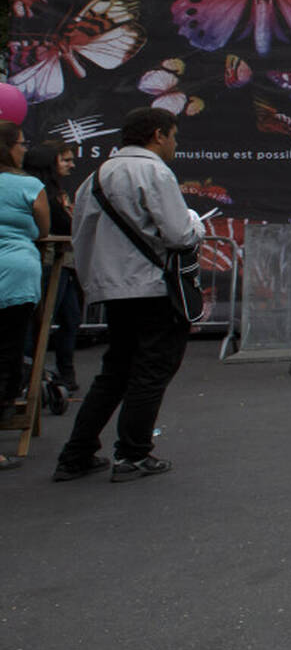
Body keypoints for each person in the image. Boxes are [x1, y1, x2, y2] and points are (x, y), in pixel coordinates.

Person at [53, 107, 203, 483]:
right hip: (152, 286)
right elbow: (178, 234)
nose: (175, 143)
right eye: (173, 135)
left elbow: (82, 237)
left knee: (115, 371)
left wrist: (94, 282)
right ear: (157, 135)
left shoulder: (96, 176)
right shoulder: (153, 171)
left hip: (113, 288)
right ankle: (133, 454)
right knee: (152, 370)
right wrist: (197, 224)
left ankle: (77, 453)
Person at [0, 122, 50, 469]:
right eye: (21, 143)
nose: (24, 149)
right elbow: (43, 228)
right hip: (15, 278)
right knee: (7, 358)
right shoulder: (29, 186)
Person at [23, 141, 81, 394]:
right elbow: (59, 225)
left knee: (71, 318)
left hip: (64, 264)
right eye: (65, 160)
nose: (71, 165)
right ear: (50, 163)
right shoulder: (41, 192)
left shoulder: (57, 191)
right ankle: (29, 377)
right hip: (48, 263)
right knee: (40, 322)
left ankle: (64, 372)